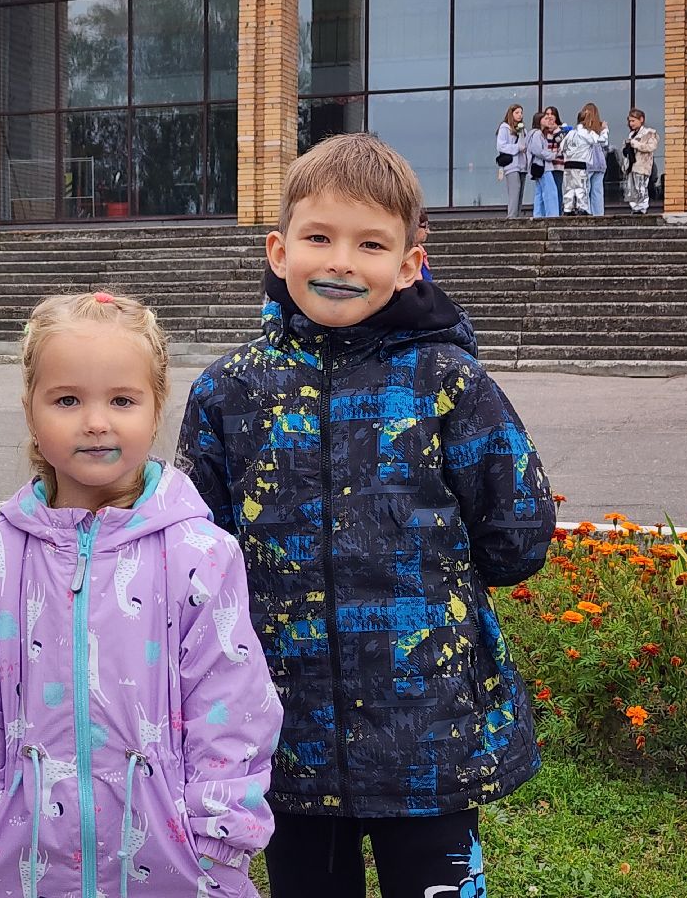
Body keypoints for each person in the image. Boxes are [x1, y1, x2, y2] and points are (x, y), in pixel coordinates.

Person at [177, 132, 554, 898]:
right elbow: (197, 551)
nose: (342, 261)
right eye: (319, 237)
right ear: (279, 252)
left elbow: (517, 537)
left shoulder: (451, 383)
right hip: (285, 733)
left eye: (370, 243)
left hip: (431, 733)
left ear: (410, 264)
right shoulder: (228, 391)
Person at [0, 291, 279, 898]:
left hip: (176, 871)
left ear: (156, 407)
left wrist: (215, 840)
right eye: (67, 399)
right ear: (31, 410)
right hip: (17, 871)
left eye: (122, 400)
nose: (96, 421)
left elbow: (233, 707)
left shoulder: (201, 556)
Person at [560, 103, 608, 216]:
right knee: (582, 187)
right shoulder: (588, 133)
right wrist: (605, 130)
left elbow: (562, 146)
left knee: (569, 187)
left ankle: (568, 209)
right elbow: (602, 141)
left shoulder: (571, 133)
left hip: (568, 164)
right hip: (582, 164)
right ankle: (584, 209)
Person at [622, 108, 660, 216]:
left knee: (641, 187)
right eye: (630, 121)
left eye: (633, 121)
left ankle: (642, 207)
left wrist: (637, 145)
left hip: (642, 166)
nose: (631, 123)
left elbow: (651, 147)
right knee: (632, 188)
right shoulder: (631, 135)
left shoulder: (649, 133)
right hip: (632, 165)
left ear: (641, 119)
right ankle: (635, 207)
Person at [494, 104, 528, 219]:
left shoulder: (522, 129)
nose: (520, 115)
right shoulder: (505, 128)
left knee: (520, 192)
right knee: (515, 189)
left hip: (522, 164)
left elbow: (524, 144)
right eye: (517, 113)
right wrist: (517, 148)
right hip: (512, 164)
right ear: (511, 113)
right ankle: (512, 216)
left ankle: (517, 215)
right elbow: (501, 146)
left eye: (521, 113)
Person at [525, 110, 560, 218]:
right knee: (550, 191)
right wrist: (552, 155)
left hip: (538, 167)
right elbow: (538, 151)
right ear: (539, 121)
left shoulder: (533, 134)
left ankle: (538, 214)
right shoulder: (537, 134)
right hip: (544, 167)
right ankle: (552, 215)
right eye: (545, 119)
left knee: (540, 193)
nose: (547, 120)